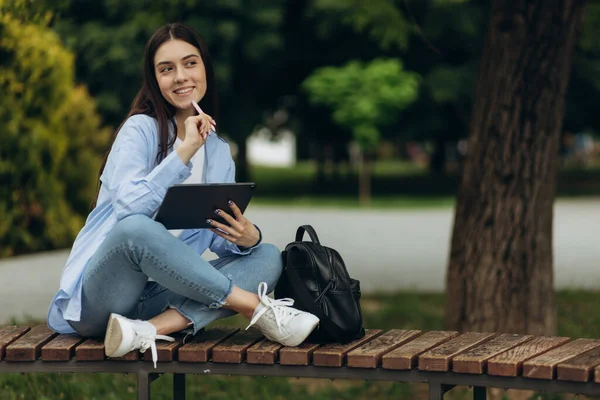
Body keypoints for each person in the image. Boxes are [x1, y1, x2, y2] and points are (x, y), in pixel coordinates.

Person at [47, 22, 319, 367]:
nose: (180, 77)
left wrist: (246, 238)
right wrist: (184, 150)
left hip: (160, 298)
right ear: (154, 80)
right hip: (103, 298)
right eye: (166, 69)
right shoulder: (139, 130)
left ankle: (145, 330)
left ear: (205, 68)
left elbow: (215, 240)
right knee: (137, 230)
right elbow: (130, 210)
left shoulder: (219, 151)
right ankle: (257, 308)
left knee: (267, 256)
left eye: (190, 63)